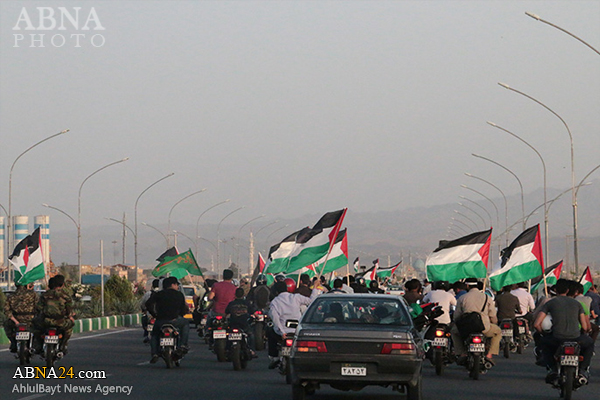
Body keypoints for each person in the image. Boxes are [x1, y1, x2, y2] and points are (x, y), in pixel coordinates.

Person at [534, 279, 594, 382]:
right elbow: (584, 327)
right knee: (589, 344)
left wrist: (543, 333)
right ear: (567, 290)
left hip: (556, 338)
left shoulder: (550, 303)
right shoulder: (577, 304)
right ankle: (583, 370)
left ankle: (552, 368)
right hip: (576, 338)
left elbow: (536, 324)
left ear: (555, 290)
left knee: (544, 343)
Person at [267, 281, 324, 368]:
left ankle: (274, 357)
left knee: (270, 330)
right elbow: (311, 301)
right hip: (296, 331)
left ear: (276, 291)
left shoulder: (275, 302)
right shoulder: (296, 297)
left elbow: (275, 319)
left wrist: (282, 333)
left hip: (282, 333)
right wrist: (315, 289)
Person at [451, 278, 501, 365]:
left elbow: (457, 316)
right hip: (484, 327)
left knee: (454, 332)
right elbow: (492, 315)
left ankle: (462, 353)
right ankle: (489, 354)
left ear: (467, 286)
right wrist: (494, 322)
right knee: (498, 332)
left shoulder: (462, 298)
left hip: (466, 328)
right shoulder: (487, 297)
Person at [145, 277, 190, 363]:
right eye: (176, 285)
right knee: (185, 323)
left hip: (160, 321)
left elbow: (148, 304)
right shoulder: (179, 295)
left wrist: (154, 314)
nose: (177, 287)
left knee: (154, 335)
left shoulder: (158, 294)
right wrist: (180, 315)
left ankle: (154, 353)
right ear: (173, 285)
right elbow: (183, 308)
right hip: (175, 320)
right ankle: (183, 345)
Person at [32, 275, 74, 355]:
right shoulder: (66, 296)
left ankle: (39, 346)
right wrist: (70, 316)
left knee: (35, 327)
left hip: (46, 321)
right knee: (69, 328)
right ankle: (63, 345)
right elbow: (69, 309)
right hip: (60, 322)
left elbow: (38, 308)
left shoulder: (45, 295)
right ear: (62, 285)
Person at [3, 282, 37, 353]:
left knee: (6, 324)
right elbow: (39, 308)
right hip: (30, 320)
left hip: (16, 320)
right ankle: (36, 345)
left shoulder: (11, 296)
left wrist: (15, 321)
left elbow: (6, 310)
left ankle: (13, 342)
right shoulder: (33, 295)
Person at [225, 287, 256, 356]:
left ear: (235, 294)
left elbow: (226, 313)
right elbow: (253, 313)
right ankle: (251, 350)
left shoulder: (231, 303)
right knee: (251, 335)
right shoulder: (247, 303)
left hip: (233, 324)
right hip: (244, 325)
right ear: (243, 295)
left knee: (227, 336)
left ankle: (227, 349)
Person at [140, 279, 160, 344]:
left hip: (150, 314)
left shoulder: (148, 293)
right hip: (160, 315)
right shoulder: (162, 293)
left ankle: (146, 334)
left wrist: (144, 309)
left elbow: (143, 303)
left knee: (144, 319)